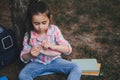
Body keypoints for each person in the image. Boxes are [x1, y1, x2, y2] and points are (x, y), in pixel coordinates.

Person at [19, 0, 82, 80]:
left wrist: (52, 46)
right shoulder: (29, 35)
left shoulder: (54, 30)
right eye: (36, 24)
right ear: (31, 22)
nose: (41, 27)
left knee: (76, 67)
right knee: (22, 75)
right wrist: (30, 54)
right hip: (36, 63)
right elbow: (23, 57)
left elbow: (68, 49)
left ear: (50, 18)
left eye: (44, 23)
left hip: (55, 61)